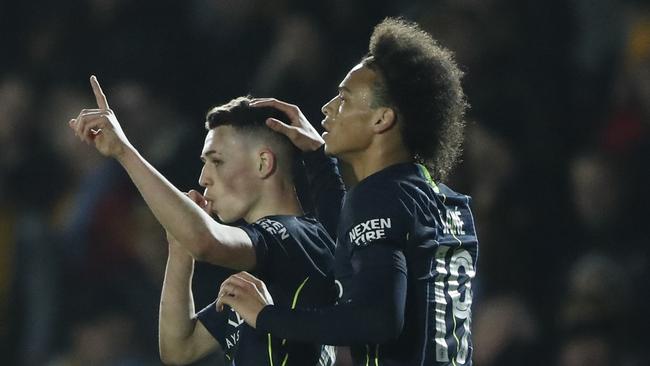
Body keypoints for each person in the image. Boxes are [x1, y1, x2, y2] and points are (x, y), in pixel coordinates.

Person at [215, 17, 479, 366]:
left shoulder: (379, 196)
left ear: (381, 119)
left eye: (344, 98)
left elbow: (377, 319)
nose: (327, 109)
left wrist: (267, 316)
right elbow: (356, 251)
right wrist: (317, 160)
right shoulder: (446, 203)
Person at [68, 86, 337, 365]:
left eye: (217, 161)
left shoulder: (298, 237)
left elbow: (205, 241)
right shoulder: (265, 272)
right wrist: (179, 248)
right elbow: (179, 348)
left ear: (263, 163)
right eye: (204, 163)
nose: (203, 178)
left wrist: (124, 151)